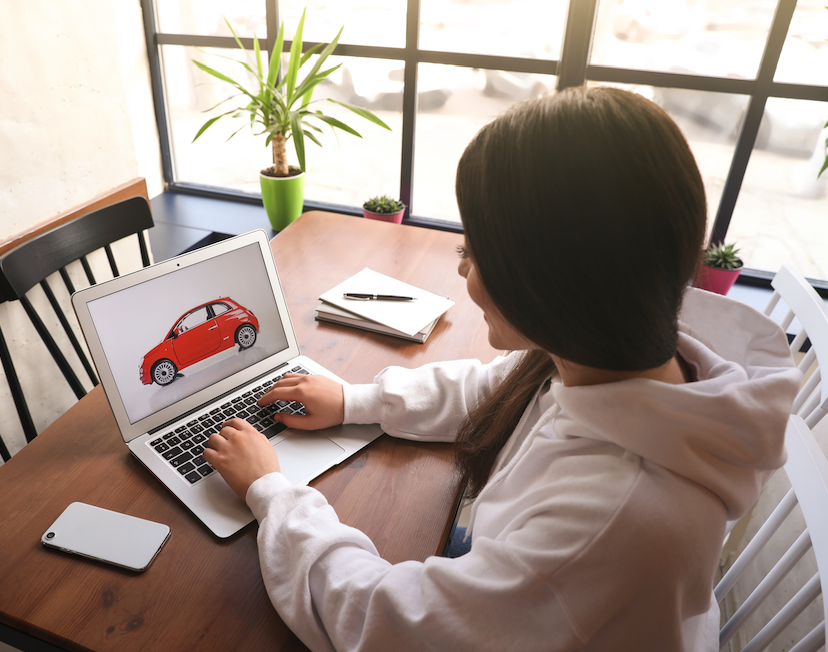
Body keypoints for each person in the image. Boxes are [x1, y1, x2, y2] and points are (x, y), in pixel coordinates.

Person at [202, 86, 801, 651]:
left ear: (546, 282)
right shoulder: (621, 356)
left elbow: (383, 623)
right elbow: (491, 388)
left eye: (476, 253)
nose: (465, 273)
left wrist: (273, 491)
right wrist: (354, 402)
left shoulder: (609, 523)